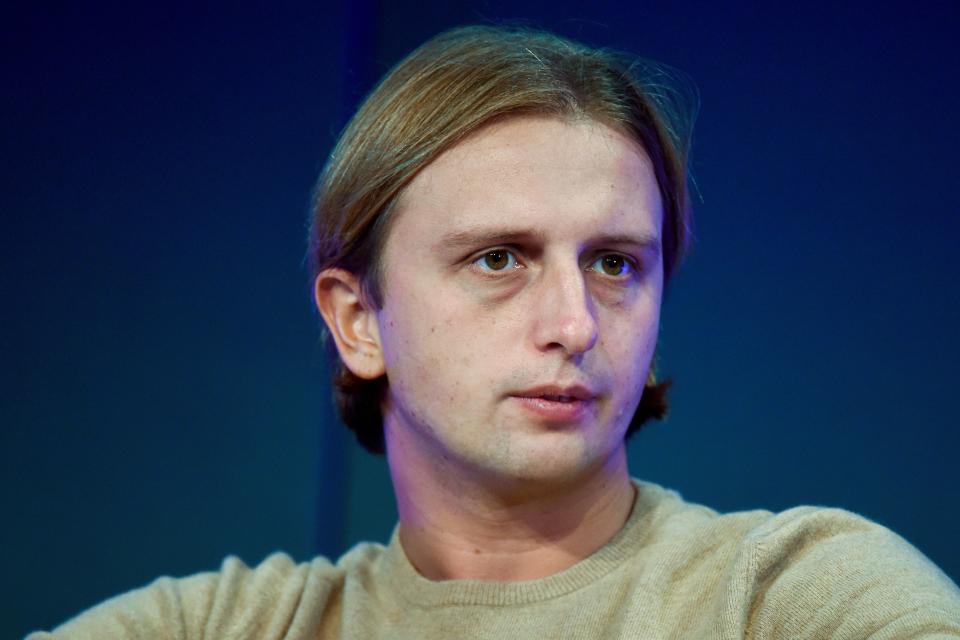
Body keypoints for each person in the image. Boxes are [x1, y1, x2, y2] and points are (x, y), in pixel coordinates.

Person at [30, 24, 960, 640]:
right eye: (499, 259)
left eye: (614, 263)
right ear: (359, 321)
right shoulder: (218, 629)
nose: (574, 324)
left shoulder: (791, 596)